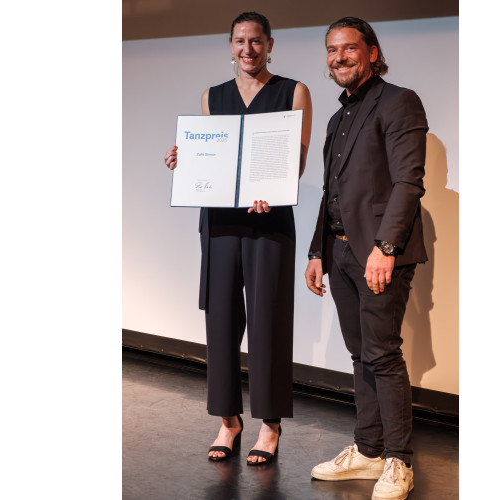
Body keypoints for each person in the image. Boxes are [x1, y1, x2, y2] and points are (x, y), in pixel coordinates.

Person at [162, 11, 312, 465]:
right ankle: (228, 420)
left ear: (270, 45)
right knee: (222, 320)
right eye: (240, 41)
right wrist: (185, 160)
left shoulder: (294, 91)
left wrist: (276, 191)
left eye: (256, 41)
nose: (248, 49)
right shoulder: (213, 96)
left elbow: (295, 161)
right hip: (221, 223)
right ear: (230, 45)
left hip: (269, 221)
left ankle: (269, 424)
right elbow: (214, 161)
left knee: (269, 321)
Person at [304, 17, 428, 500]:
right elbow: (331, 192)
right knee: (361, 355)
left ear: (372, 52)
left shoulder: (398, 101)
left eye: (349, 48)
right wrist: (318, 250)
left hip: (379, 253)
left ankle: (399, 460)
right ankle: (369, 449)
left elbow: (408, 183)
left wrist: (386, 248)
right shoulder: (338, 118)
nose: (339, 57)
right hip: (339, 252)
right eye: (332, 50)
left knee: (382, 354)